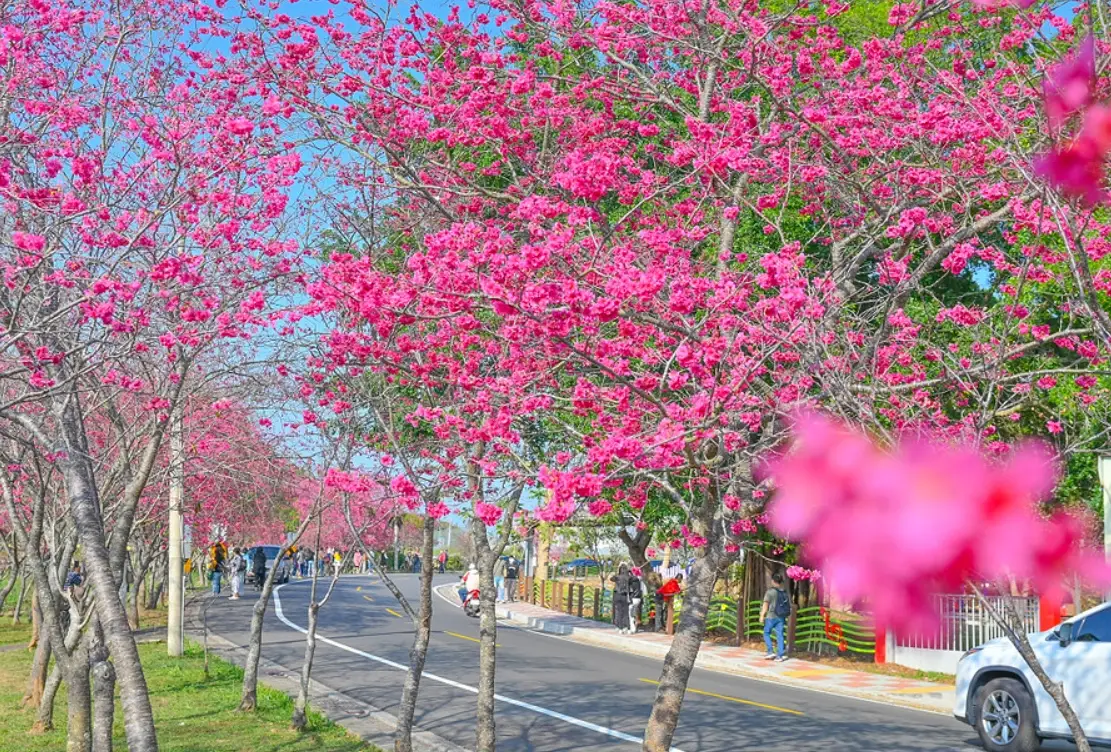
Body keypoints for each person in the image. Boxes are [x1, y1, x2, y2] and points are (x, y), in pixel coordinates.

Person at [760, 571, 791, 662]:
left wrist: (762, 615)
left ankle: (770, 651)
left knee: (766, 633)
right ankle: (780, 656)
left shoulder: (770, 592)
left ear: (773, 581)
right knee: (780, 635)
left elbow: (765, 605)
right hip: (781, 617)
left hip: (771, 616)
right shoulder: (784, 592)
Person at [612, 563, 631, 634]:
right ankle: (626, 627)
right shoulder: (628, 578)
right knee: (625, 612)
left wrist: (617, 572)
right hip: (624, 595)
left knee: (619, 612)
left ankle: (620, 627)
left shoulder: (617, 577)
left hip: (617, 595)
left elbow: (611, 578)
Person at [627, 566, 643, 634]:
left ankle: (632, 629)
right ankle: (635, 626)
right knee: (635, 613)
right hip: (638, 598)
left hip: (633, 598)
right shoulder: (639, 579)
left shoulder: (632, 579)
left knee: (631, 614)